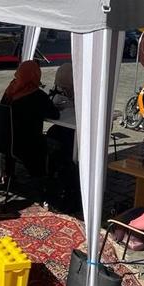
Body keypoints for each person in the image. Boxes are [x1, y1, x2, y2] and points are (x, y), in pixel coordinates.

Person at [1, 60, 59, 204]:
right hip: (28, 146)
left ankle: (9, 174)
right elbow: (54, 114)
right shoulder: (37, 96)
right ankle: (44, 186)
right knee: (52, 140)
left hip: (6, 141)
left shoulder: (10, 90)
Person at [46, 63, 79, 210]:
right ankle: (64, 168)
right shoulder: (32, 96)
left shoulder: (16, 89)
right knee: (58, 133)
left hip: (12, 141)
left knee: (56, 132)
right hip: (29, 144)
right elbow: (52, 113)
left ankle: (59, 169)